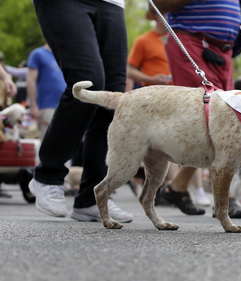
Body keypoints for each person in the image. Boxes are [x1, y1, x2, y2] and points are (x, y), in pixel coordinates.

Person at [28, 0, 132, 222]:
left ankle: (91, 198)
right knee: (87, 83)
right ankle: (48, 174)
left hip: (112, 4)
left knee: (112, 97)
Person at [153, 0, 241, 218]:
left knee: (227, 120)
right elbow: (156, 6)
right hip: (192, 43)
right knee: (206, 119)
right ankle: (224, 197)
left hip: (224, 52)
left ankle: (178, 186)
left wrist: (240, 16)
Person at [125, 6, 172, 91]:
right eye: (167, 13)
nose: (170, 17)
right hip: (151, 93)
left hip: (178, 93)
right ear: (157, 15)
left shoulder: (180, 41)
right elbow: (129, 70)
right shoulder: (143, 41)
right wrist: (151, 79)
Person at [26, 43, 66, 137]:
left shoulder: (63, 55)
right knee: (49, 140)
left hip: (63, 105)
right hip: (47, 106)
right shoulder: (38, 54)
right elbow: (31, 80)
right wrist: (33, 106)